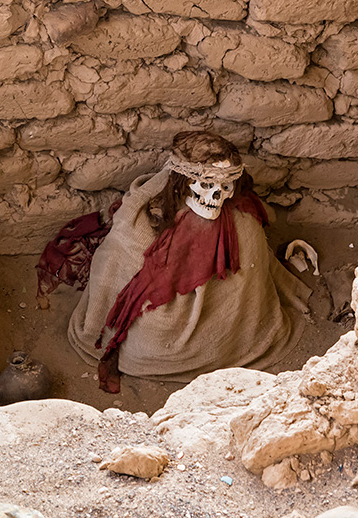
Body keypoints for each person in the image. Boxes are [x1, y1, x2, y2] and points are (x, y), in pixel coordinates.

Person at [59, 131, 313, 392]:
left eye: (225, 188)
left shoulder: (243, 226)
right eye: (205, 184)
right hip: (151, 342)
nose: (215, 196)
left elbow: (248, 284)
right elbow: (118, 271)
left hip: (222, 334)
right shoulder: (138, 226)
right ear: (183, 181)